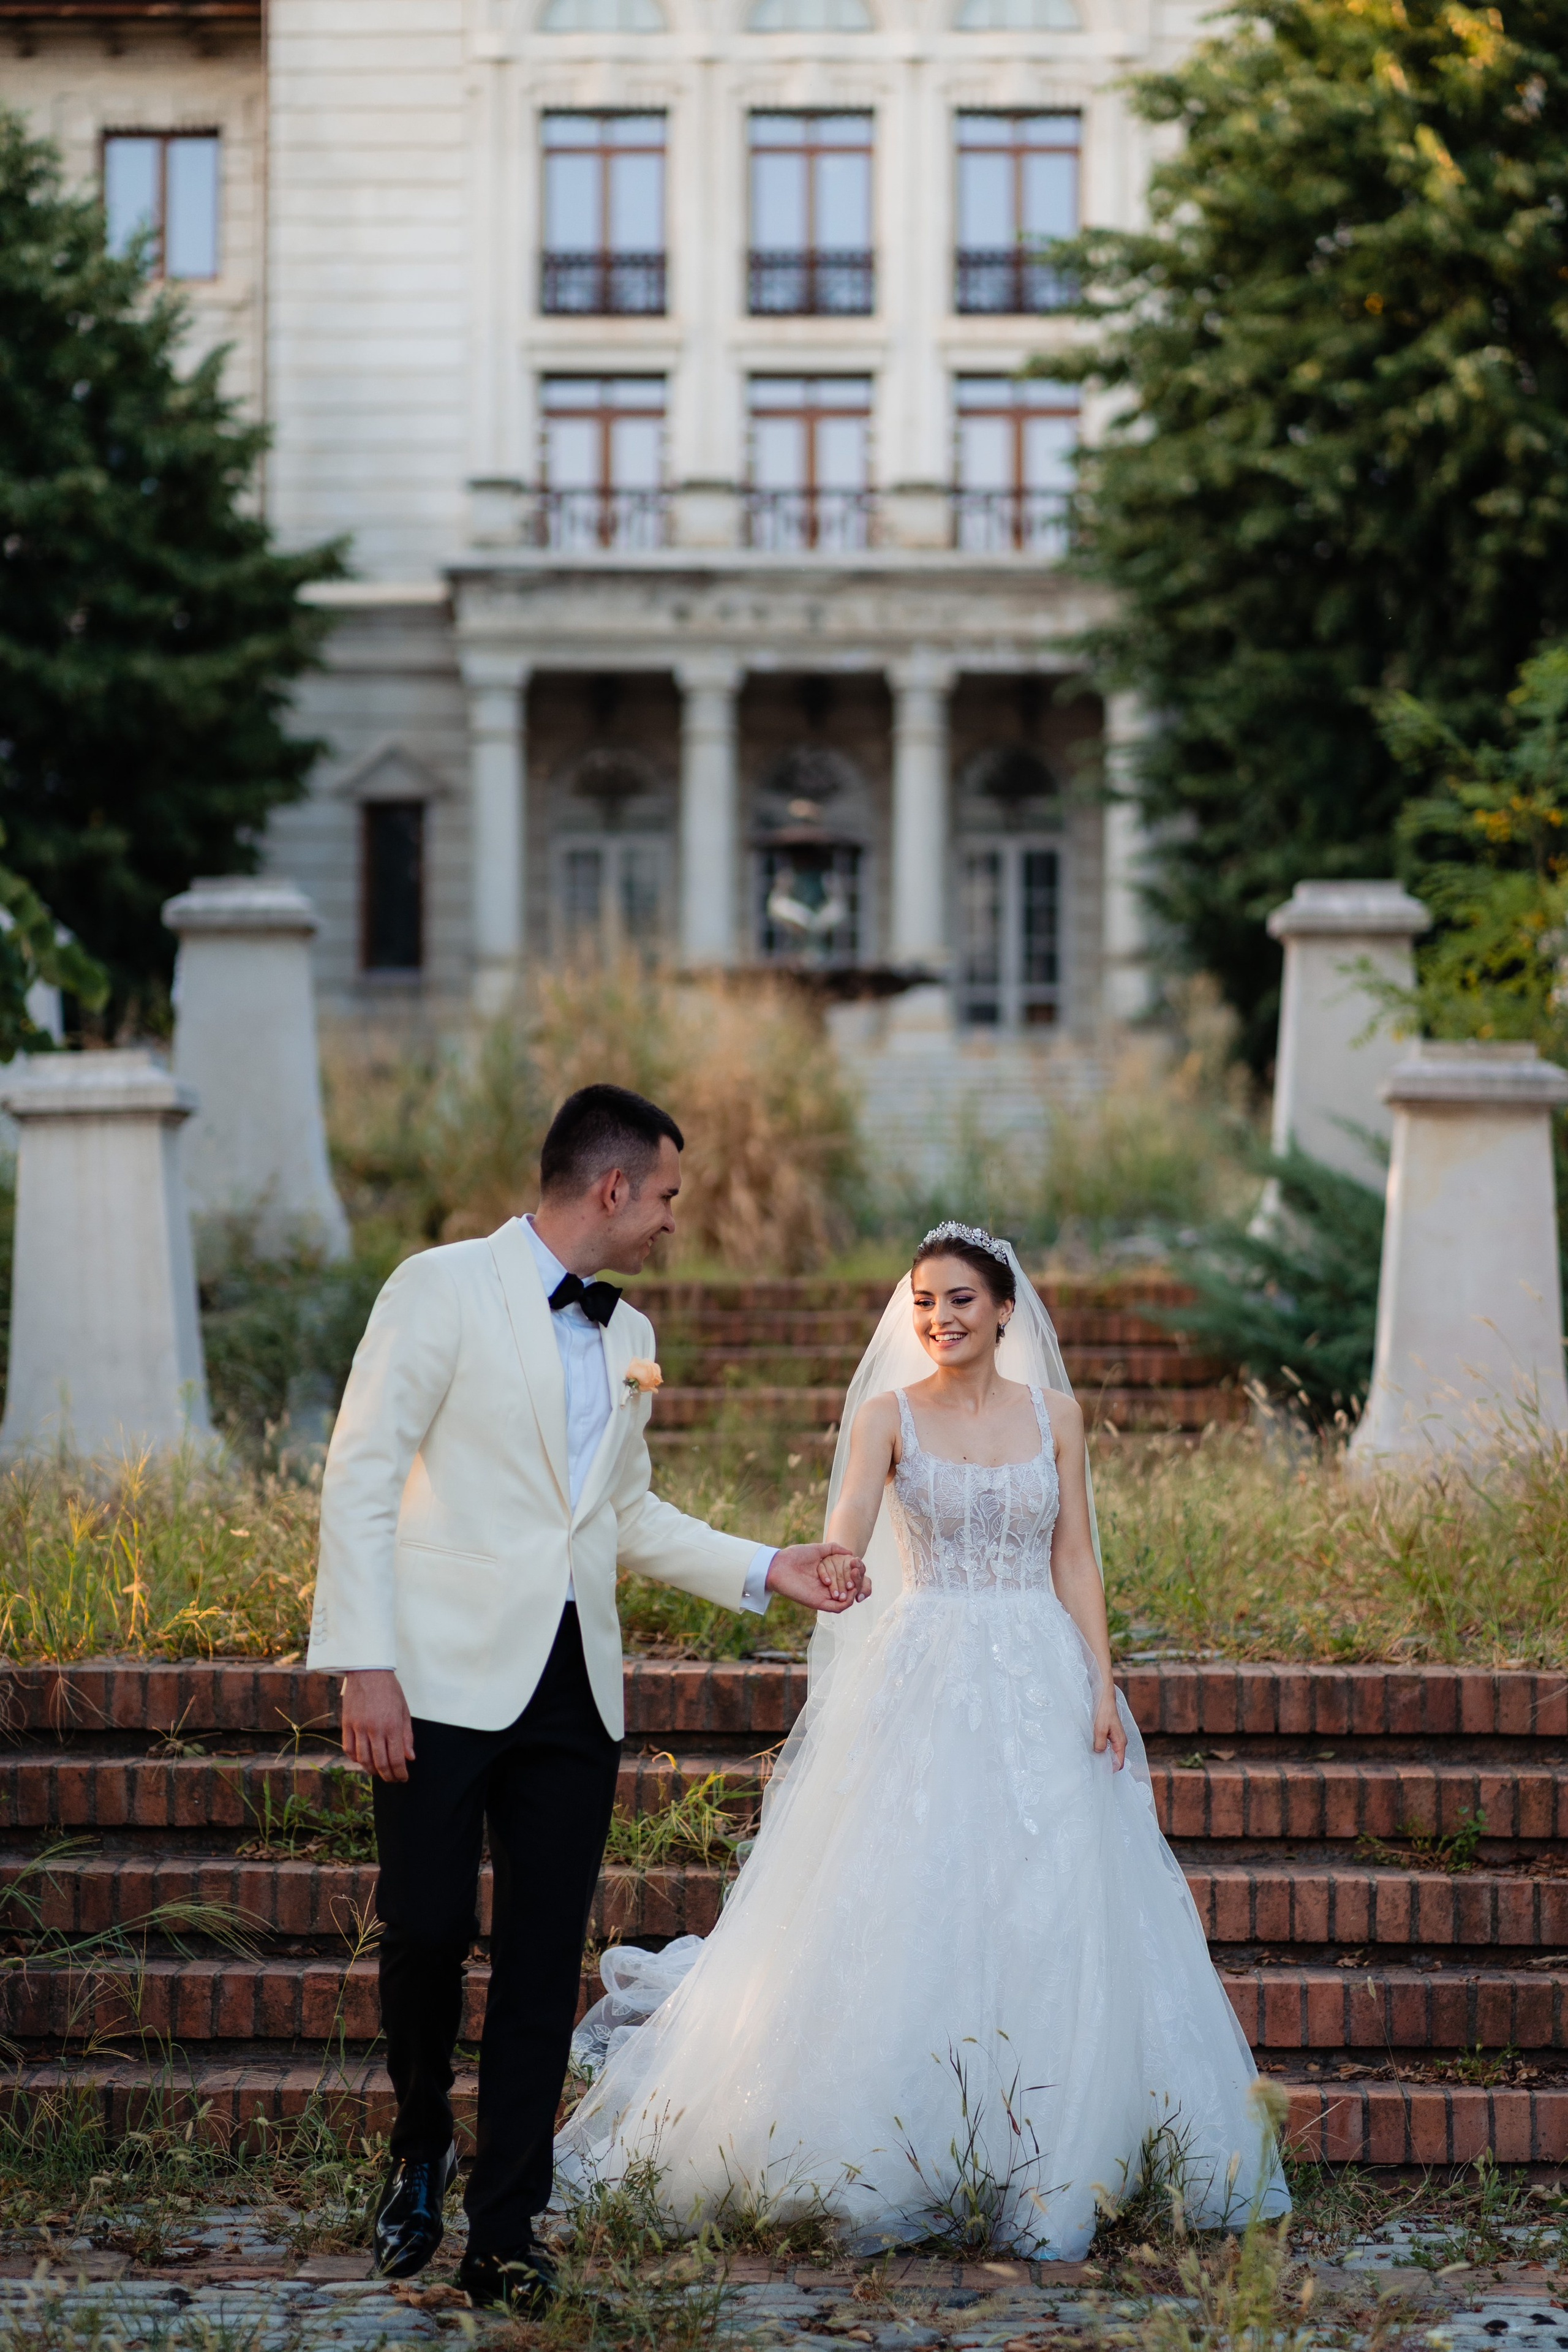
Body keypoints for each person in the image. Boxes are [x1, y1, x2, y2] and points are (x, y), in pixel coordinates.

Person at [557, 1221, 1289, 2256]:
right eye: (923, 1304)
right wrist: (835, 1566)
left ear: (1003, 1309)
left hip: (1040, 1668)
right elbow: (848, 1527)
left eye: (958, 1301)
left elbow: (1076, 1556)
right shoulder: (885, 1414)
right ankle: (908, 2143)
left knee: (1051, 1895)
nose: (938, 1320)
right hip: (926, 1665)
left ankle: (1055, 2142)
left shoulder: (1059, 1418)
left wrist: (1101, 1683)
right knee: (919, 1890)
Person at [307, 1084, 869, 2310]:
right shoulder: (437, 1287)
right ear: (611, 1189)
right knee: (421, 1933)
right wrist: (365, 1662)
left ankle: (505, 2233)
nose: (674, 1219)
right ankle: (418, 2139)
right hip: (437, 1681)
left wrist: (766, 1567)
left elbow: (618, 1515)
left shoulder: (626, 1336)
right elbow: (358, 1476)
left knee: (538, 1960)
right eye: (666, 1194)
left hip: (573, 1693)